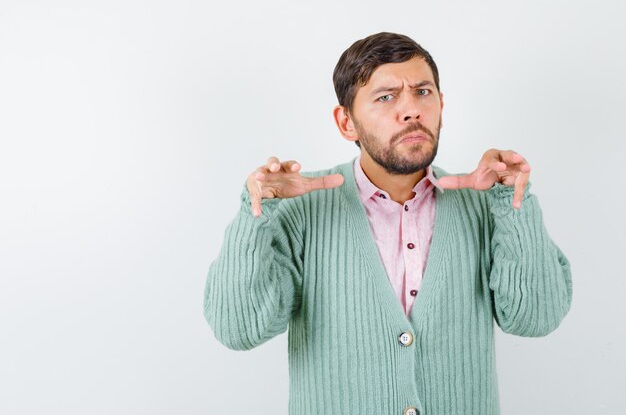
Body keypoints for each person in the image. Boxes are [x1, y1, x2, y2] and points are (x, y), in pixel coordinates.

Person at [203, 32, 572, 415]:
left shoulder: (484, 206)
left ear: (442, 107)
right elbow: (239, 329)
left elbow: (536, 318)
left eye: (423, 92)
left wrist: (511, 200)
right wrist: (257, 214)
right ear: (346, 123)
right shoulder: (301, 211)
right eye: (386, 97)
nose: (411, 109)